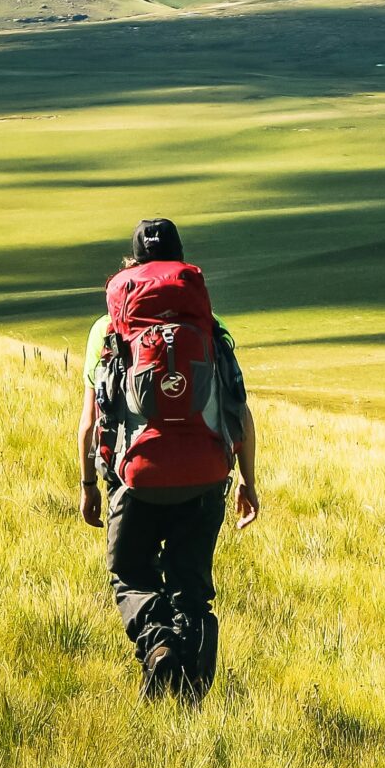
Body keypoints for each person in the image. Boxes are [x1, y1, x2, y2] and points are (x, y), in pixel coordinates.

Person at [77, 217, 259, 700]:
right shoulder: (210, 325)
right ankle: (191, 688)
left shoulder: (107, 328)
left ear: (133, 264)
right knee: (190, 586)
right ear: (180, 262)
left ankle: (158, 648)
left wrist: (89, 485)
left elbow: (90, 420)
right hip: (206, 475)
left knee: (131, 574)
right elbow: (239, 410)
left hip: (134, 478)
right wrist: (247, 480)